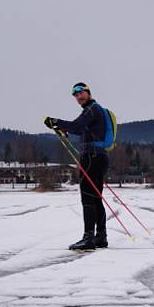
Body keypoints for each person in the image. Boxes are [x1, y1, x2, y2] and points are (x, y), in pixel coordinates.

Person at [44, 82, 109, 251]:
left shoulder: (92, 109)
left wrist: (55, 121)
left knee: (88, 196)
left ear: (88, 92)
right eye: (75, 95)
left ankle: (88, 238)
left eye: (80, 93)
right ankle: (100, 237)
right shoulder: (94, 111)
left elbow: (76, 126)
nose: (78, 97)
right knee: (96, 198)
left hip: (91, 156)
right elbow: (81, 130)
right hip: (99, 156)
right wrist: (63, 130)